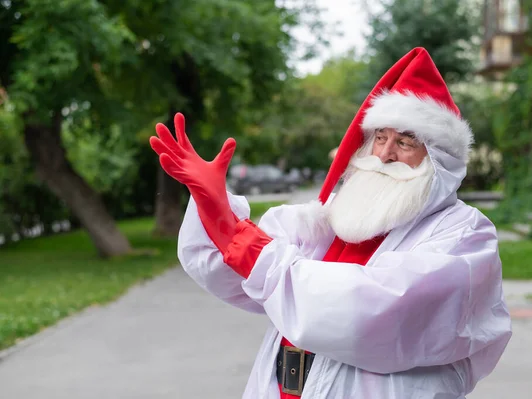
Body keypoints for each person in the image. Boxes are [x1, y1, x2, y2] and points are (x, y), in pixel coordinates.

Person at [149, 47, 512, 399]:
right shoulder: (332, 217)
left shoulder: (463, 234)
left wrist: (243, 242)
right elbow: (233, 276)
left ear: (437, 159)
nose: (384, 154)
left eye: (404, 142)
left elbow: (372, 312)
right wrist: (213, 208)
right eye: (380, 138)